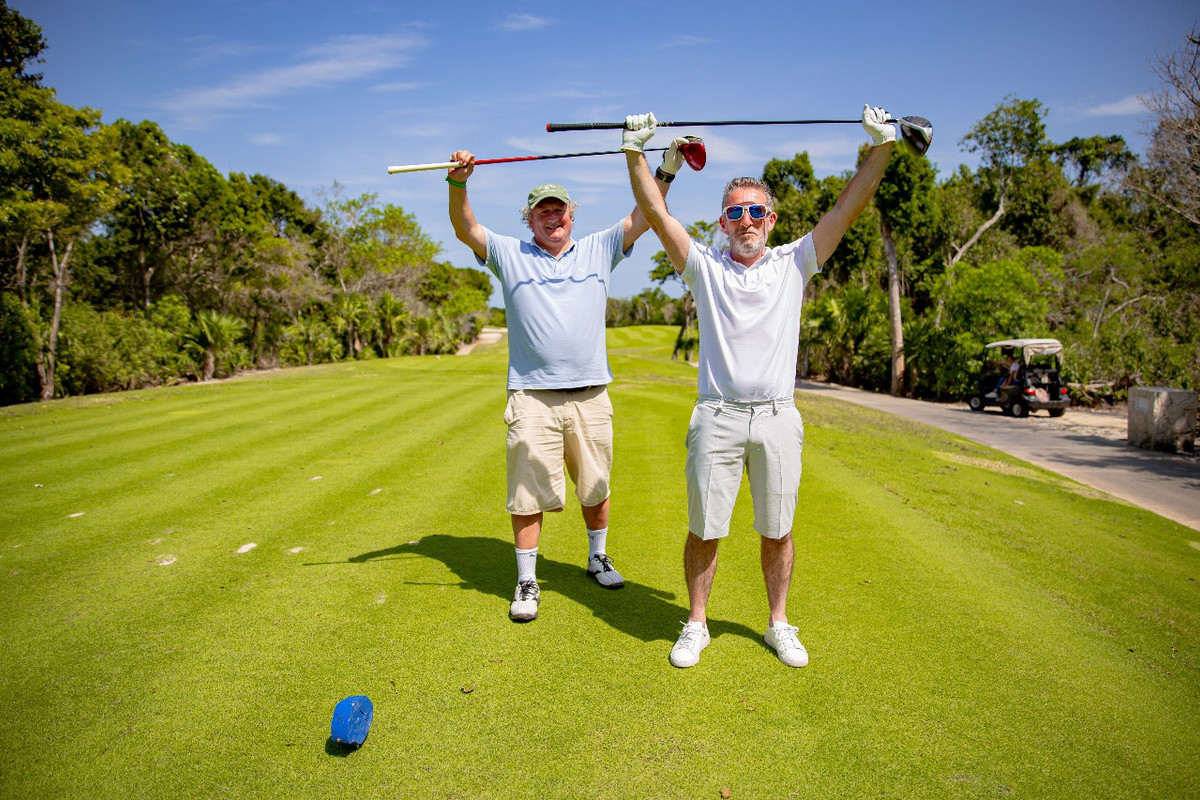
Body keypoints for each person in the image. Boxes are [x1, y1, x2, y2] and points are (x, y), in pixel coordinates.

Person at [623, 106, 897, 667]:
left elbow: (849, 206)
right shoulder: (704, 265)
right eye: (735, 213)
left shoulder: (794, 262)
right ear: (722, 223)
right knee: (705, 529)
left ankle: (778, 623)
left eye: (755, 211)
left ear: (771, 219)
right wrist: (636, 152)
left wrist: (880, 148)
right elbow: (653, 208)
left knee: (777, 529)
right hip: (717, 416)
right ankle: (696, 624)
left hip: (776, 416)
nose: (746, 220)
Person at [447, 126, 688, 622]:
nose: (552, 216)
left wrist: (666, 166)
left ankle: (597, 556)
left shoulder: (599, 248)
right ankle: (528, 580)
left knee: (595, 486)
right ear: (530, 219)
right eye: (542, 211)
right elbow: (465, 228)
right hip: (532, 397)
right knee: (526, 493)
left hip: (590, 394)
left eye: (559, 209)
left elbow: (646, 213)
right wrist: (458, 183)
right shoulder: (509, 255)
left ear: (571, 215)